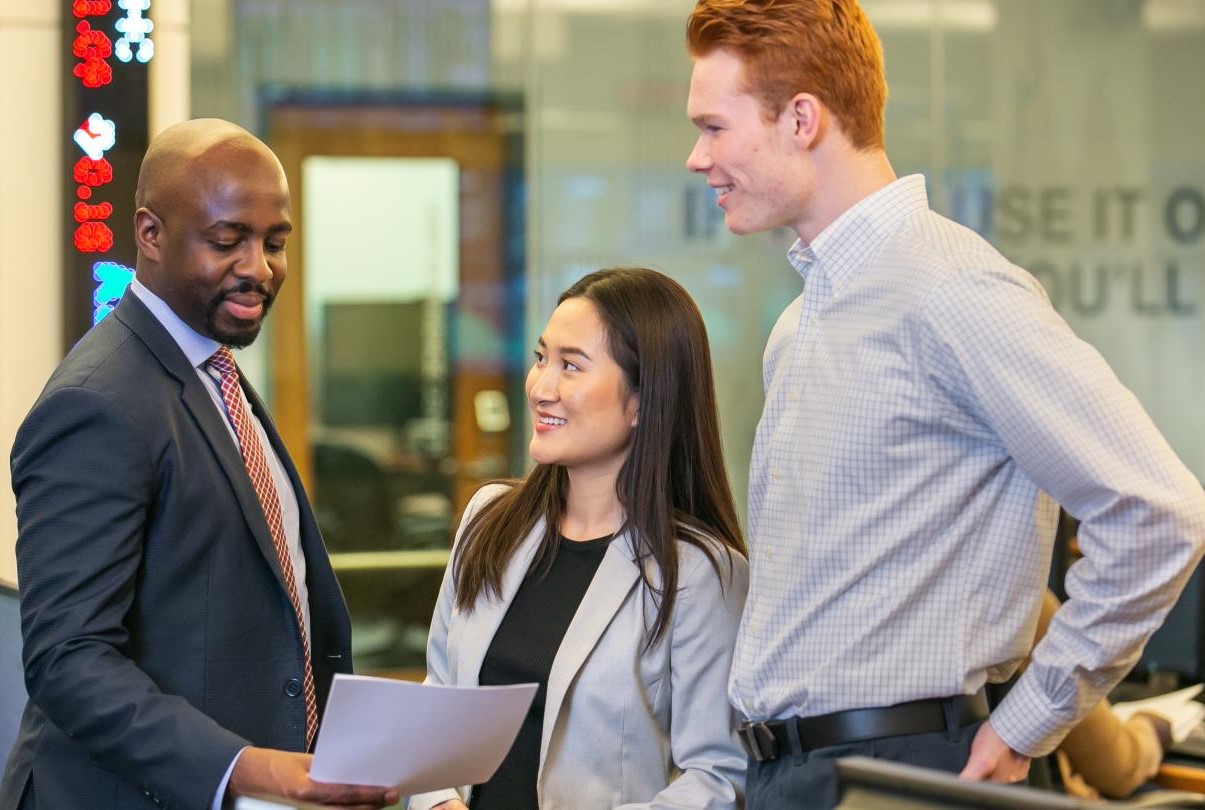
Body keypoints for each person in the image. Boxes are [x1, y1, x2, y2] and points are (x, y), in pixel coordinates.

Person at [683, 1, 1205, 807]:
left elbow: (1158, 513)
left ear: (800, 118)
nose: (696, 157)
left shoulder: (952, 289)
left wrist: (1028, 720)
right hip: (787, 773)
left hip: (906, 768)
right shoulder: (801, 322)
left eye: (714, 127)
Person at [0, 119, 397, 810]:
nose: (259, 267)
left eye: (275, 243)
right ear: (150, 234)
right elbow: (69, 661)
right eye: (227, 241)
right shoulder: (100, 403)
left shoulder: (212, 371)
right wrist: (250, 768)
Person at [407, 268, 749, 810]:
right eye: (542, 358)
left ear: (643, 399)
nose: (541, 387)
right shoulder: (489, 521)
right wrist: (436, 802)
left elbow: (718, 775)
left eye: (571, 366)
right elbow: (439, 695)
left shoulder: (700, 572)